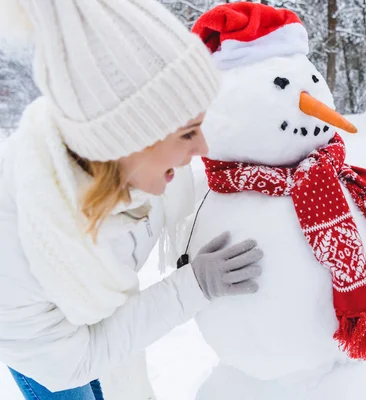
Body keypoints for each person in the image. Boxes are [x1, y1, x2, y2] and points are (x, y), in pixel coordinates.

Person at [0, 1, 263, 399]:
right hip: (51, 355)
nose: (203, 147)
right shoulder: (15, 253)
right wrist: (191, 287)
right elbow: (74, 360)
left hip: (87, 314)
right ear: (125, 140)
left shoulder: (136, 168)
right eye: (188, 133)